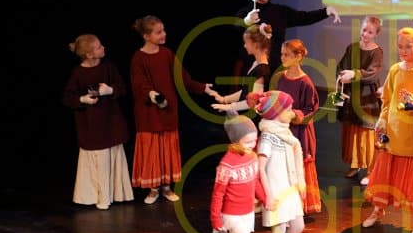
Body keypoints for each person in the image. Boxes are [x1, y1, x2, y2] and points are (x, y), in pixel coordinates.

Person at [129, 15, 220, 204]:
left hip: (167, 112)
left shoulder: (167, 54)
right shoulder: (138, 58)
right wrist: (152, 94)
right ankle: (153, 189)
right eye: (158, 32)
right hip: (148, 115)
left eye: (163, 30)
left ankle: (166, 187)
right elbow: (139, 84)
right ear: (146, 36)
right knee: (152, 150)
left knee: (167, 149)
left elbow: (183, 78)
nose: (164, 34)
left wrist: (203, 88)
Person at [361, 27, 413, 233]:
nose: (403, 50)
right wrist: (382, 120)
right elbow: (387, 100)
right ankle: (378, 209)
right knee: (385, 175)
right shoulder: (395, 70)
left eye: (408, 46)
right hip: (394, 134)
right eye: (400, 46)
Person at [62, 34, 134, 210]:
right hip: (92, 126)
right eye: (99, 47)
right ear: (89, 54)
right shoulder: (78, 73)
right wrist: (82, 99)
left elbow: (122, 88)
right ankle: (100, 196)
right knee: (98, 159)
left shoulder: (108, 67)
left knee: (113, 155)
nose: (103, 48)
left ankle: (116, 194)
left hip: (111, 122)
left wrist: (110, 90)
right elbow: (68, 98)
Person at [210, 114, 274, 233]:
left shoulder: (252, 157)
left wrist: (264, 198)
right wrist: (216, 219)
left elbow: (255, 182)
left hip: (247, 214)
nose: (252, 145)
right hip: (232, 216)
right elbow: (218, 194)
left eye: (254, 140)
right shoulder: (227, 164)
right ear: (235, 141)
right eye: (247, 142)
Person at [253, 90, 307, 233]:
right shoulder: (268, 136)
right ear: (277, 113)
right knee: (280, 229)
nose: (292, 113)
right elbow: (261, 167)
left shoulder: (284, 133)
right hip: (276, 191)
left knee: (298, 225)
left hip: (288, 188)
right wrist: (267, 195)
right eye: (289, 109)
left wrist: (299, 182)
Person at [241, 0, 341, 74]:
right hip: (253, 67)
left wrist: (325, 12)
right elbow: (236, 29)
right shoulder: (245, 12)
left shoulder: (280, 12)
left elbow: (304, 17)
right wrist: (247, 21)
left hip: (276, 69)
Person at [267, 39, 321, 214]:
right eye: (281, 54)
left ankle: (296, 206)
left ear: (298, 57)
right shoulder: (278, 77)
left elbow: (310, 110)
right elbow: (272, 99)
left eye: (287, 55)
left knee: (296, 166)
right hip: (280, 129)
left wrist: (293, 115)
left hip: (298, 132)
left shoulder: (306, 83)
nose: (282, 58)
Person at [336, 16, 384, 186]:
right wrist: (343, 76)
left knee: (366, 135)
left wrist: (354, 74)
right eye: (364, 30)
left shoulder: (377, 52)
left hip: (366, 98)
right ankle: (355, 164)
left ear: (376, 34)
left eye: (370, 32)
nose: (365, 34)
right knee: (352, 132)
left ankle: (371, 170)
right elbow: (341, 66)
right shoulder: (352, 48)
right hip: (352, 96)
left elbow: (372, 74)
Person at [211, 23, 273, 114]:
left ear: (255, 45)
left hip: (250, 118)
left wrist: (229, 107)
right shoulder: (256, 64)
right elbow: (245, 92)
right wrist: (225, 99)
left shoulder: (262, 70)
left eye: (246, 43)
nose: (244, 46)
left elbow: (253, 102)